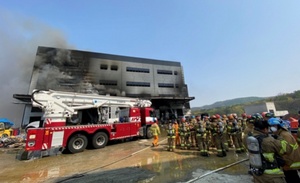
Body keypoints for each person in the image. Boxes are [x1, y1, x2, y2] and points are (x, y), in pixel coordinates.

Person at [247, 114, 292, 183]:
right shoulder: (268, 140)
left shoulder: (250, 138)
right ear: (265, 129)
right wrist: (279, 138)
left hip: (257, 174)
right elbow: (287, 149)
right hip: (271, 175)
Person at [268, 117, 300, 183]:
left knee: (292, 179)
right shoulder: (281, 134)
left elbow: (287, 151)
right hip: (291, 162)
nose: (272, 128)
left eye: (274, 126)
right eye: (271, 126)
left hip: (290, 163)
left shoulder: (284, 135)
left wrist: (285, 164)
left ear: (279, 126)